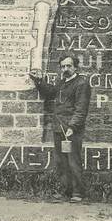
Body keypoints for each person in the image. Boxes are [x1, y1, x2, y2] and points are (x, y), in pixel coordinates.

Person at [30, 53, 91, 203]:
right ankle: (66, 191)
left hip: (71, 130)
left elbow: (81, 109)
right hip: (59, 128)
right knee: (61, 162)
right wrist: (38, 80)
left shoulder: (81, 84)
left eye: (69, 66)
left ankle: (78, 192)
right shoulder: (61, 82)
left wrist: (73, 126)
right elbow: (49, 93)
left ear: (75, 67)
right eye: (63, 66)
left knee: (73, 160)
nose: (65, 69)